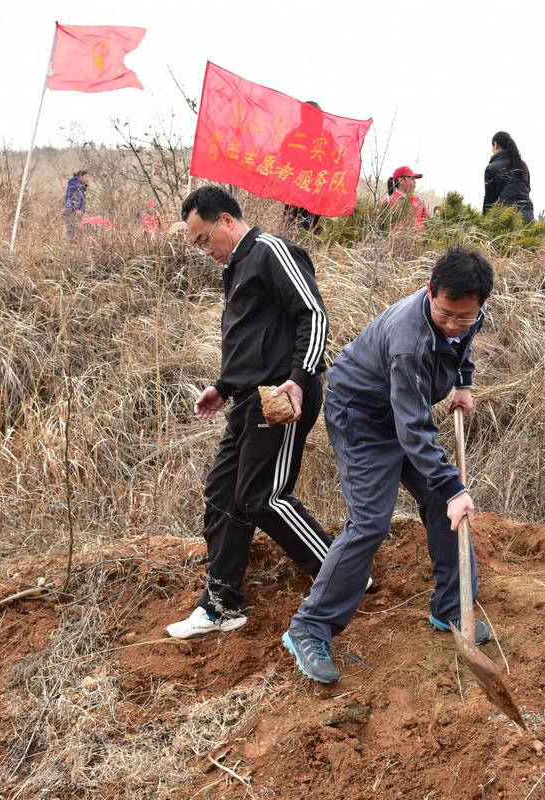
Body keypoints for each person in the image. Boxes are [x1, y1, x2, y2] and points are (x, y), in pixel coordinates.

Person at [283, 247, 493, 684]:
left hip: (399, 409)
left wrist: (464, 382)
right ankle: (311, 626)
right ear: (429, 291)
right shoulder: (408, 340)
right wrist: (456, 489)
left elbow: (460, 346)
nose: (455, 323)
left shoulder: (469, 314)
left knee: (440, 500)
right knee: (371, 522)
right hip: (360, 415)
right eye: (446, 313)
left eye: (465, 316)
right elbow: (413, 429)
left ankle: (452, 607)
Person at [167, 186, 335, 639]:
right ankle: (222, 604)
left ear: (225, 220)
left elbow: (313, 317)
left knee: (262, 495)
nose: (204, 251)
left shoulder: (270, 251)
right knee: (223, 494)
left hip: (281, 396)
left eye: (204, 239)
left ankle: (341, 571)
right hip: (246, 402)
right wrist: (222, 387)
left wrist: (299, 380)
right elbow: (251, 342)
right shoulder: (236, 270)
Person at [282, 100, 327, 233]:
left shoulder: (325, 138)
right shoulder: (293, 136)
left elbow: (336, 163)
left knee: (306, 231)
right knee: (292, 229)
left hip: (313, 194)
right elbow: (283, 159)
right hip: (295, 192)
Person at [483, 131, 533, 221]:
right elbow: (527, 190)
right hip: (528, 218)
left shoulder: (492, 168)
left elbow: (489, 201)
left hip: (507, 220)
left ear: (495, 144)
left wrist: (483, 224)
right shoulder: (523, 165)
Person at [386, 165, 429, 230]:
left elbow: (427, 222)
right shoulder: (389, 201)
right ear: (401, 180)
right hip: (398, 239)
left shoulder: (419, 201)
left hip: (420, 239)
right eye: (412, 179)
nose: (415, 183)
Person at [62, 170, 90, 242]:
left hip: (75, 212)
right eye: (86, 176)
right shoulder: (75, 185)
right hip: (71, 212)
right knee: (71, 232)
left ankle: (72, 249)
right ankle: (68, 249)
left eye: (88, 176)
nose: (88, 179)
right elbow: (72, 198)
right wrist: (76, 209)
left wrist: (82, 210)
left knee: (77, 232)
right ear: (80, 176)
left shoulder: (80, 186)